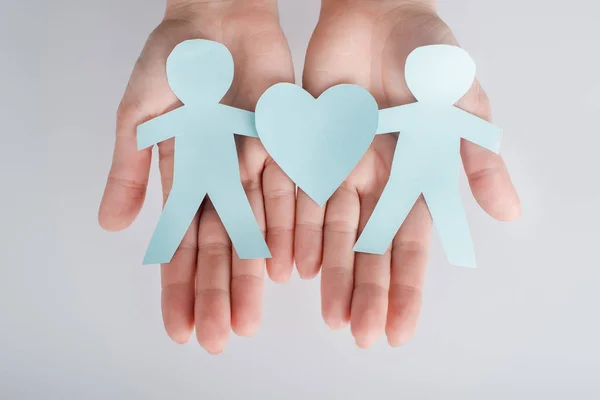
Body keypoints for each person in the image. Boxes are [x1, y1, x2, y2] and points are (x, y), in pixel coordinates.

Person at [99, 0, 520, 354]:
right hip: (215, 162)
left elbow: (397, 116)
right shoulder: (204, 110)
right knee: (216, 209)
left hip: (397, 158)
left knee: (225, 208)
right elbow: (234, 120)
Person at [354, 45, 503, 268]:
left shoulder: (419, 112)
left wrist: (354, 120)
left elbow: (376, 121)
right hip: (428, 175)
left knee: (402, 204)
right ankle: (459, 255)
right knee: (434, 208)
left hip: (415, 174)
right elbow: (487, 134)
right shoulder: (447, 116)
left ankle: (373, 243)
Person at [137, 39, 271, 264]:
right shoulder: (213, 114)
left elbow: (257, 125)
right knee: (190, 207)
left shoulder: (208, 114)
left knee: (226, 205)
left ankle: (251, 247)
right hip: (200, 175)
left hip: (210, 175)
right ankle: (250, 247)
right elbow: (258, 125)